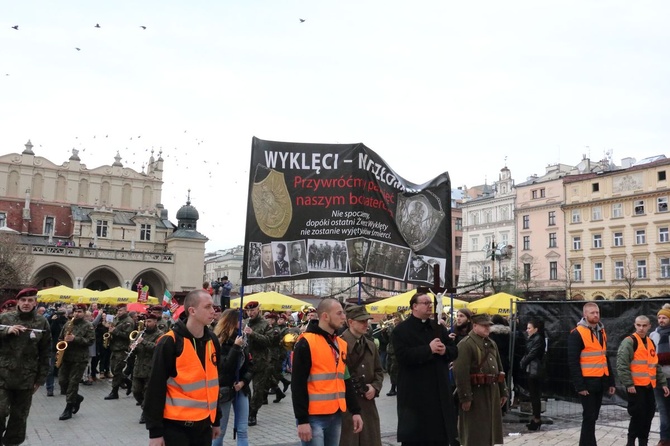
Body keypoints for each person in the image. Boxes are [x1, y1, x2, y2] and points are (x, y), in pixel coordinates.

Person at [144, 289, 222, 446]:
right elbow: (155, 387)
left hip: (204, 427)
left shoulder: (212, 340)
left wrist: (216, 420)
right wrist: (155, 432)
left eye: (213, 307)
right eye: (207, 307)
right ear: (192, 311)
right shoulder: (169, 342)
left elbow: (213, 383)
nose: (213, 311)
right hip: (176, 428)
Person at [292, 298, 362, 446]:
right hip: (313, 417)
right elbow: (297, 384)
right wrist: (302, 420)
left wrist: (355, 411)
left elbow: (345, 379)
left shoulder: (340, 344)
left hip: (335, 414)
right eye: (339, 313)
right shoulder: (306, 343)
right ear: (325, 316)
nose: (344, 317)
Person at [391, 291, 459, 446]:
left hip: (438, 390)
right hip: (415, 392)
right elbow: (403, 356)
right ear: (414, 306)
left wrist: (445, 351)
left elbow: (454, 350)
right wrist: (428, 349)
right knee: (417, 437)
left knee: (439, 435)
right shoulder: (401, 330)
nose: (430, 306)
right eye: (426, 303)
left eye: (431, 303)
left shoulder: (438, 328)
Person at [0, 288, 51, 445]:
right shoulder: (5, 318)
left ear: (35, 302)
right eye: (23, 300)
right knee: (0, 411)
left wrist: (40, 379)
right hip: (3, 375)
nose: (26, 303)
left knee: (19, 416)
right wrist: (6, 331)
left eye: (30, 300)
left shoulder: (42, 322)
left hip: (27, 377)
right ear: (18, 302)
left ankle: (11, 443)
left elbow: (45, 352)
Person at [453, 313, 508, 446]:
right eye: (484, 326)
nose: (487, 328)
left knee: (490, 431)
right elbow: (461, 373)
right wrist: (465, 397)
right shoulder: (465, 344)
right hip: (476, 394)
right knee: (474, 432)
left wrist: (503, 391)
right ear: (475, 326)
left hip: (492, 391)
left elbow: (499, 369)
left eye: (488, 325)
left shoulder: (491, 343)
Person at [567, 302, 616, 446]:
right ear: (585, 315)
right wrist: (579, 385)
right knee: (589, 416)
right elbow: (573, 362)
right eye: (592, 313)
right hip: (586, 381)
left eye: (597, 312)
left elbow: (604, 357)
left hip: (599, 380)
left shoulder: (601, 331)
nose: (596, 315)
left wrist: (611, 381)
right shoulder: (577, 333)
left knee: (593, 416)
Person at [616, 315, 669, 446]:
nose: (641, 328)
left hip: (649, 386)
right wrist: (629, 384)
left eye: (644, 325)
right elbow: (622, 365)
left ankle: (643, 442)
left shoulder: (650, 342)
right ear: (634, 325)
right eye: (639, 325)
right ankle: (631, 441)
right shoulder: (629, 342)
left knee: (648, 415)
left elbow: (655, 365)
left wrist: (662, 383)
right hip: (635, 386)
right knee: (637, 416)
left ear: (649, 326)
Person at [339, 305, 384, 446]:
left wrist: (375, 387)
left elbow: (379, 371)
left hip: (368, 405)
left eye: (367, 321)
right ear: (350, 322)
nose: (366, 324)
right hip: (346, 407)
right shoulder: (338, 344)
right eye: (362, 321)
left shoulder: (370, 346)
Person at [212, 309, 252, 446]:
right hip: (225, 389)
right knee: (220, 431)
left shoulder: (243, 339)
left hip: (241, 388)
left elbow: (250, 366)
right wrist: (235, 347)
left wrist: (243, 381)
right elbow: (224, 367)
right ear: (232, 321)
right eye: (240, 319)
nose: (243, 322)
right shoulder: (219, 341)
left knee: (242, 429)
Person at [57, 303, 95, 420]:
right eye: (75, 311)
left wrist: (75, 339)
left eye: (80, 311)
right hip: (67, 357)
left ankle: (68, 408)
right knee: (62, 381)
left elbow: (90, 341)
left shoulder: (88, 326)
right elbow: (60, 338)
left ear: (84, 313)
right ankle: (76, 398)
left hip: (80, 359)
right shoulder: (68, 324)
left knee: (73, 383)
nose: (77, 314)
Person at [242, 301, 273, 426]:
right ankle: (246, 409)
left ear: (258, 310)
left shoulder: (265, 324)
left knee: (258, 390)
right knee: (245, 388)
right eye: (248, 311)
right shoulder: (245, 323)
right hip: (246, 361)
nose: (250, 313)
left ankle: (252, 413)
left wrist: (253, 334)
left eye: (253, 310)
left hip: (260, 362)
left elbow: (269, 341)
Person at [132, 313, 163, 424]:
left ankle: (145, 413)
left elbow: (157, 348)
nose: (146, 324)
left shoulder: (160, 334)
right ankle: (147, 409)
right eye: (145, 322)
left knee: (147, 393)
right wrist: (133, 347)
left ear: (155, 322)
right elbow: (135, 349)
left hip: (150, 367)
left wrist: (143, 342)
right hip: (138, 367)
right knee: (136, 391)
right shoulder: (141, 333)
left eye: (149, 321)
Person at [104, 303, 135, 400]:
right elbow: (112, 329)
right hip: (114, 347)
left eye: (121, 310)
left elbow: (127, 335)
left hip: (122, 349)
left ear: (126, 311)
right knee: (113, 369)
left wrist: (114, 331)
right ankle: (129, 382)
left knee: (117, 370)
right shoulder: (117, 319)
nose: (119, 312)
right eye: (118, 310)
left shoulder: (129, 321)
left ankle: (114, 392)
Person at [519, 319, 545, 431]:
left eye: (529, 328)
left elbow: (532, 353)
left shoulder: (538, 339)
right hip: (531, 369)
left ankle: (537, 419)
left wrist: (523, 362)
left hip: (534, 370)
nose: (527, 330)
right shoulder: (533, 338)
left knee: (535, 395)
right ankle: (536, 418)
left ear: (536, 329)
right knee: (534, 395)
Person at [650, 304, 670, 446]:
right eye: (659, 317)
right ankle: (664, 439)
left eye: (664, 317)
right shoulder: (653, 335)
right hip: (659, 378)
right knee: (663, 410)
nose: (661, 320)